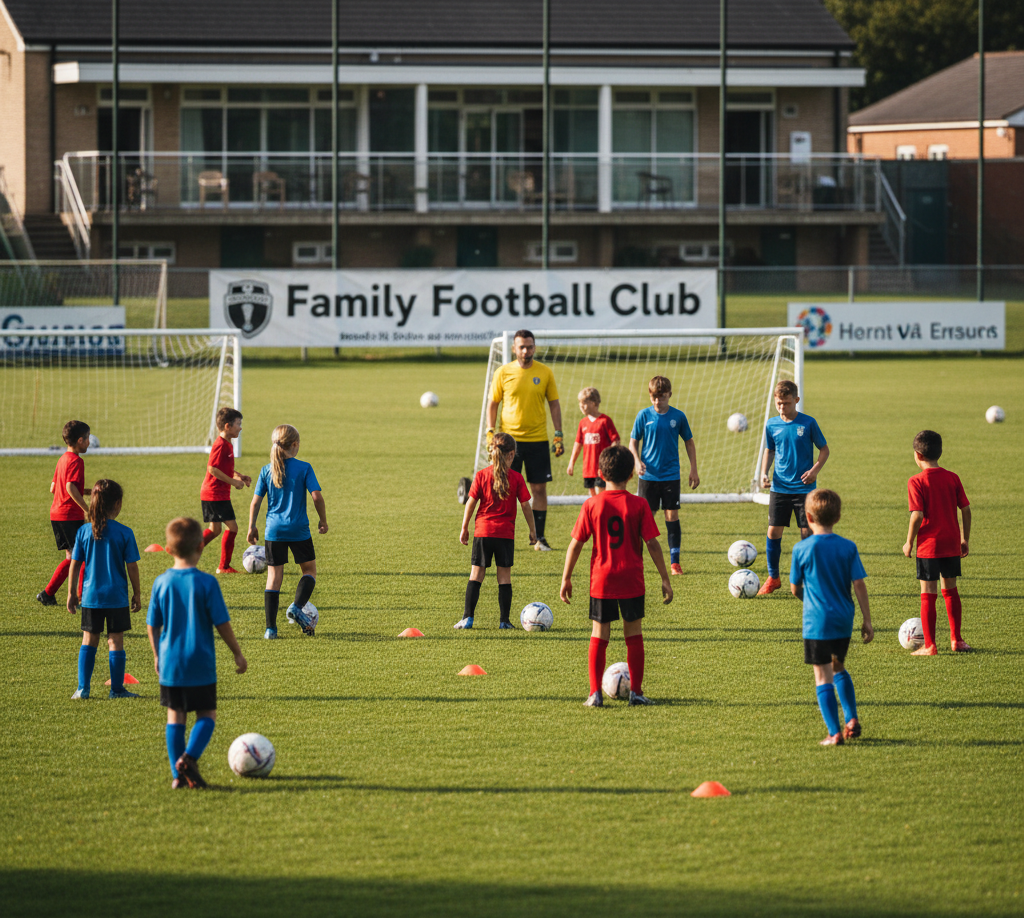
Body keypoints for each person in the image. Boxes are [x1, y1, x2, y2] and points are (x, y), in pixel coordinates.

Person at [560, 444, 672, 707]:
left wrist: (566, 577)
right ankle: (637, 693)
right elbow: (653, 544)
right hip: (631, 579)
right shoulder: (639, 504)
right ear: (632, 474)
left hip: (602, 581)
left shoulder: (592, 504)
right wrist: (665, 578)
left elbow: (576, 544)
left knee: (599, 635)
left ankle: (594, 694)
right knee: (634, 634)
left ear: (599, 472)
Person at [147, 517, 247, 789]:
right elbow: (222, 623)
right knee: (207, 715)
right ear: (201, 546)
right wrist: (237, 653)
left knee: (175, 717)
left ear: (167, 550)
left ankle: (177, 776)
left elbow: (152, 624)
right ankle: (188, 759)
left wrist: (157, 655)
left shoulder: (161, 582)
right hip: (200, 661)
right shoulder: (206, 583)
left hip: (170, 662)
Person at [789, 489, 873, 746]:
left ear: (808, 516)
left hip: (817, 623)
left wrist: (811, 603)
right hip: (843, 621)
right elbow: (859, 584)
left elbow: (795, 588)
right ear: (837, 517)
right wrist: (867, 620)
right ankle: (851, 718)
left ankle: (834, 733)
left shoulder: (802, 549)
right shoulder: (848, 547)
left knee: (822, 676)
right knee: (838, 667)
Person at [247, 424, 328, 639]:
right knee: (309, 571)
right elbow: (317, 496)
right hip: (299, 529)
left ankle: (270, 630)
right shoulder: (304, 467)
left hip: (274, 531)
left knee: (273, 578)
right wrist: (323, 520)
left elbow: (255, 502)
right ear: (294, 445)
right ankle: (297, 607)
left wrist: (251, 526)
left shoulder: (267, 470)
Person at [487, 329, 562, 551]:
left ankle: (539, 538)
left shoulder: (545, 372)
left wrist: (558, 433)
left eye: (529, 346)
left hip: (538, 440)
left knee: (538, 490)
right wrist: (491, 431)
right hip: (509, 442)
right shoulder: (503, 372)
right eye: (521, 346)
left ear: (534, 347)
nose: (526, 350)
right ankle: (500, 535)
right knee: (502, 488)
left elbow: (554, 403)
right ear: (514, 349)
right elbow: (493, 403)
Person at [66, 479, 142, 700]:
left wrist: (71, 593)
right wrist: (136, 593)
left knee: (89, 640)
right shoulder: (125, 533)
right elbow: (132, 566)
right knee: (115, 640)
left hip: (91, 597)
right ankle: (117, 690)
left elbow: (75, 564)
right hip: (117, 597)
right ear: (117, 504)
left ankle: (82, 689)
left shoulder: (83, 531)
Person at [455, 432, 537, 630]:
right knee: (504, 577)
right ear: (512, 454)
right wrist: (533, 531)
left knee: (476, 574)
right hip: (505, 535)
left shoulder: (482, 475)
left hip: (483, 532)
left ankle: (467, 618)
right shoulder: (516, 478)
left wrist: (464, 527)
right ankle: (504, 621)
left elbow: (471, 503)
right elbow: (526, 506)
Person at [902, 429, 972, 655]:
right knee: (950, 590)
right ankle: (957, 640)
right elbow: (966, 509)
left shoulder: (916, 481)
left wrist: (909, 542)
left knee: (928, 593)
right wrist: (964, 538)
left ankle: (930, 645)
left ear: (917, 455)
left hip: (929, 546)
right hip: (951, 542)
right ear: (939, 453)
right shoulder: (952, 477)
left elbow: (918, 515)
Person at [759, 379, 829, 596]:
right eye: (779, 403)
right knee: (773, 532)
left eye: (787, 403)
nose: (782, 408)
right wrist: (763, 473)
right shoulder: (771, 424)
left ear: (796, 400)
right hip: (779, 488)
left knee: (806, 533)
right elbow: (769, 450)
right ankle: (773, 577)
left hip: (804, 490)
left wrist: (815, 470)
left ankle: (809, 579)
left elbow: (824, 450)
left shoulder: (808, 423)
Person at [628, 375, 699, 576]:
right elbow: (633, 442)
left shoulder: (678, 417)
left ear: (669, 395)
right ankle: (635, 561)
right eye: (654, 397)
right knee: (645, 520)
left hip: (670, 476)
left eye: (662, 397)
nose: (658, 401)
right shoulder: (643, 415)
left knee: (672, 515)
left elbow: (689, 442)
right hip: (648, 476)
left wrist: (693, 469)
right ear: (650, 396)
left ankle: (675, 563)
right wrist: (636, 460)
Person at [37, 419, 92, 607]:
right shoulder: (77, 461)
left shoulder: (62, 459)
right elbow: (69, 486)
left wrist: (88, 491)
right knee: (82, 557)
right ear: (79, 440)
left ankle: (48, 594)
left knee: (72, 558)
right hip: (70, 515)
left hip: (57, 514)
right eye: (87, 439)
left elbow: (55, 487)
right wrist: (87, 509)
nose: (89, 443)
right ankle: (82, 597)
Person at [200, 407, 251, 574]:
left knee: (215, 530)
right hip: (215, 494)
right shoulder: (221, 445)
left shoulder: (227, 444)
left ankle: (187, 551)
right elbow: (212, 469)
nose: (240, 427)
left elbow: (224, 468)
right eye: (238, 424)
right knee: (233, 527)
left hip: (215, 494)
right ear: (228, 426)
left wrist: (239, 476)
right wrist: (233, 482)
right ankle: (224, 566)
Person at [566, 387, 619, 498]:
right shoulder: (583, 423)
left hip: (602, 468)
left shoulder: (605, 421)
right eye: (580, 403)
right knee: (593, 496)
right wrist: (571, 463)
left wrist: (610, 460)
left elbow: (615, 440)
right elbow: (578, 444)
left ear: (594, 403)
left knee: (601, 495)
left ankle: (603, 515)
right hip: (588, 469)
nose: (581, 406)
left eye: (585, 403)